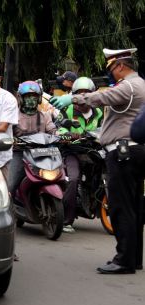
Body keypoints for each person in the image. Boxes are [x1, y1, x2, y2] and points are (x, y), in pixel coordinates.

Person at [51, 48, 145, 274]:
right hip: (135, 151)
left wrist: (72, 98)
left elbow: (102, 97)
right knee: (135, 206)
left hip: (123, 152)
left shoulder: (129, 86)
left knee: (121, 206)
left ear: (121, 65)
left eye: (111, 68)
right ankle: (134, 257)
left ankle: (123, 260)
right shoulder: (141, 84)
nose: (111, 73)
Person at [55, 77, 104, 233]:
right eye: (79, 93)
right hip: (72, 150)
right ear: (73, 95)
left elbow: (103, 128)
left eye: (87, 93)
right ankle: (66, 220)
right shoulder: (67, 110)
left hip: (92, 150)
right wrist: (68, 134)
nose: (83, 96)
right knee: (73, 178)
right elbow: (59, 128)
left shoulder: (98, 111)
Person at [8, 81, 57, 196]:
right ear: (21, 98)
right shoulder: (13, 116)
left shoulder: (45, 115)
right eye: (28, 96)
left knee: (62, 178)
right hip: (20, 154)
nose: (31, 99)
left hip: (43, 153)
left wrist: (65, 135)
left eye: (34, 96)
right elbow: (7, 134)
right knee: (10, 186)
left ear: (39, 98)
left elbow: (53, 130)